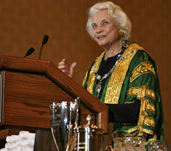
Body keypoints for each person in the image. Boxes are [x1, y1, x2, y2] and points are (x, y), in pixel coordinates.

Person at [58, 1, 164, 148]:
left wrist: (99, 110)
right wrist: (68, 83)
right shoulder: (95, 67)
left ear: (120, 26)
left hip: (127, 146)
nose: (98, 30)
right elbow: (83, 109)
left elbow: (140, 110)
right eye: (94, 26)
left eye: (104, 23)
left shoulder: (138, 59)